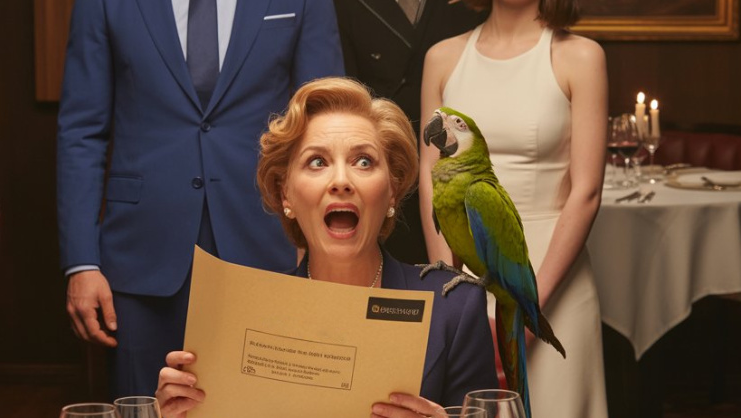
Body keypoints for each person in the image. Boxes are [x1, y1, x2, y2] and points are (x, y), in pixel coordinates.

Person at [155, 77, 497, 418]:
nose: (341, 181)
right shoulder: (238, 320)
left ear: (392, 190)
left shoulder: (455, 308)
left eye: (363, 162)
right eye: (317, 162)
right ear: (286, 194)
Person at [57, 0, 344, 397]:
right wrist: (82, 263)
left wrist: (323, 252)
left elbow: (328, 125)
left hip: (266, 243)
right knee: (144, 406)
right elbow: (81, 132)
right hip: (141, 254)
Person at [419, 0, 609, 417]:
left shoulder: (581, 56)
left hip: (553, 275)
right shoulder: (441, 57)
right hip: (465, 278)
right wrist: (452, 300)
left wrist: (530, 309)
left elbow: (587, 192)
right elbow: (429, 176)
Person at [333, 0, 485, 264]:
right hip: (379, 172)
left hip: (458, 177)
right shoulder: (342, 8)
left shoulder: (471, 9)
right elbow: (342, 101)